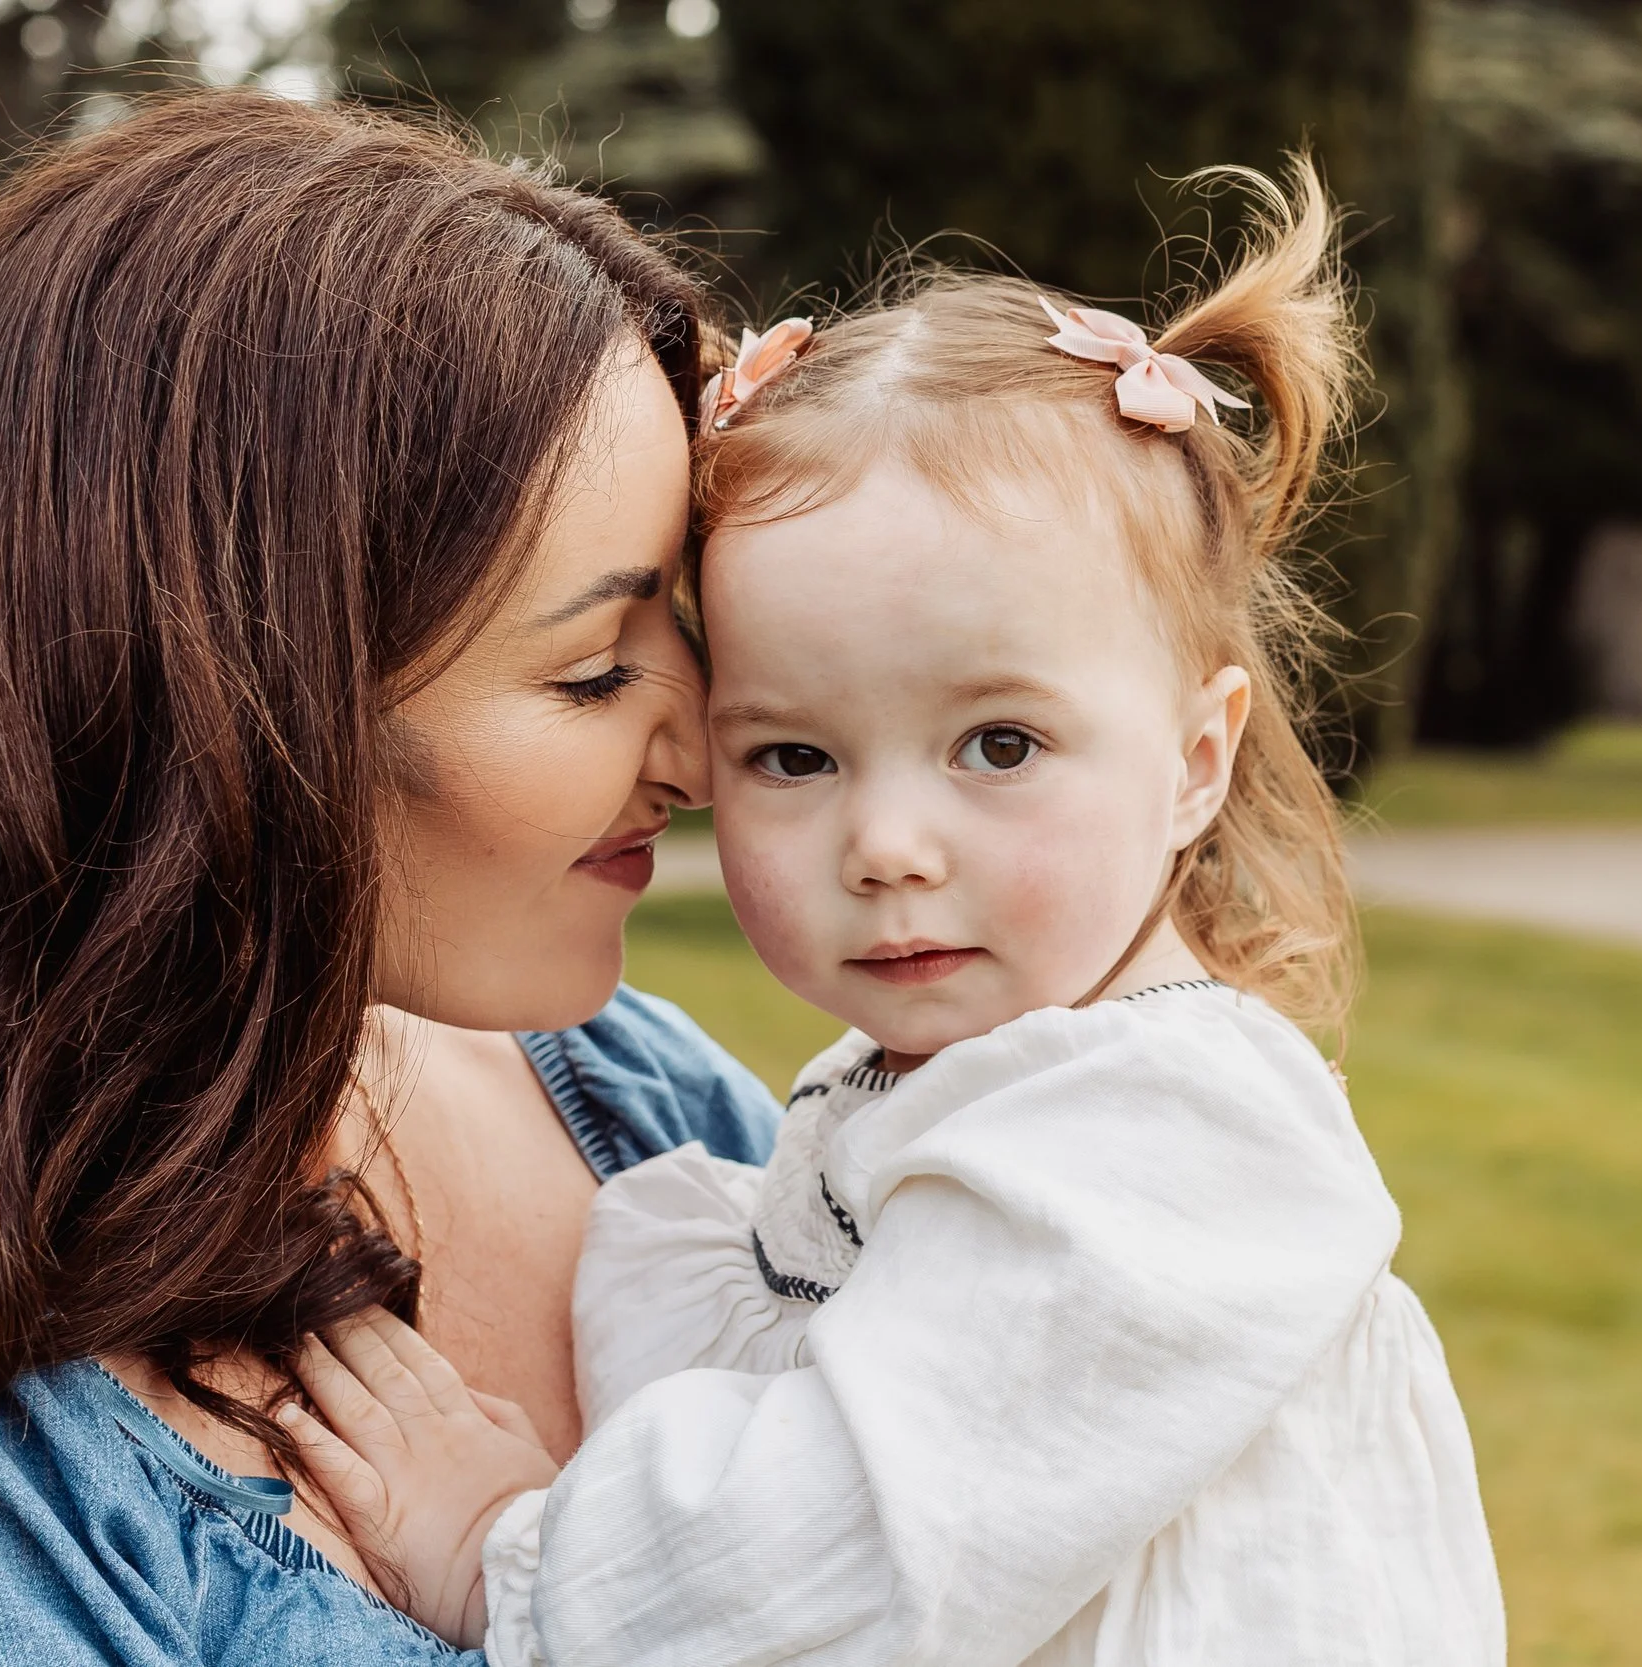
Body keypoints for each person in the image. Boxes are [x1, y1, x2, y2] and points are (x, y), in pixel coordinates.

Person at [0, 91, 783, 1666]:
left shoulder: (666, 1115)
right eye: (596, 669)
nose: (709, 755)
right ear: (239, 717)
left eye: (693, 624)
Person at [284, 162, 1508, 1666]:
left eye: (999, 745)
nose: (885, 846)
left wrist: (502, 1555)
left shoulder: (1163, 1137)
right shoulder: (958, 1095)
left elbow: (856, 1548)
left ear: (1198, 760)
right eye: (793, 756)